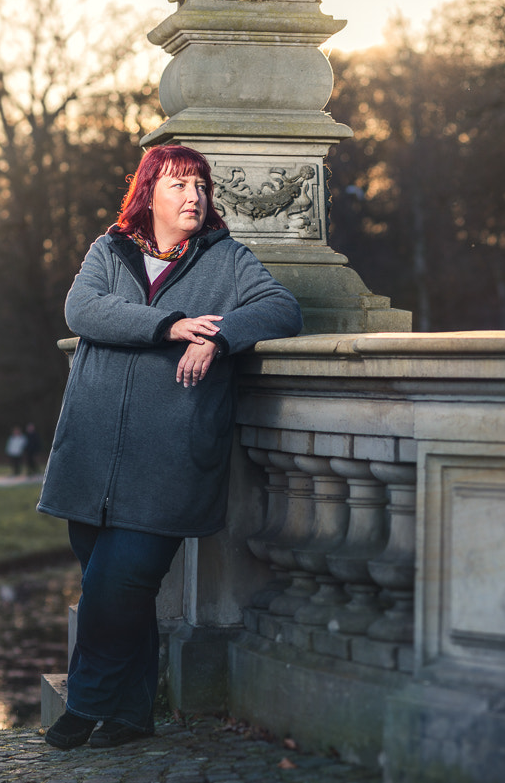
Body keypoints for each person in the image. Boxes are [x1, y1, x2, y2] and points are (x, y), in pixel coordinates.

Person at [37, 145, 302, 750]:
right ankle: (132, 716)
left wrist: (223, 335)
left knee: (119, 585)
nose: (193, 197)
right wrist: (171, 325)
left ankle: (85, 704)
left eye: (200, 187)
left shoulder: (227, 258)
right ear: (148, 193)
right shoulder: (110, 250)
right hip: (92, 455)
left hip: (168, 459)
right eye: (179, 185)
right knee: (113, 587)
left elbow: (282, 308)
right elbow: (84, 310)